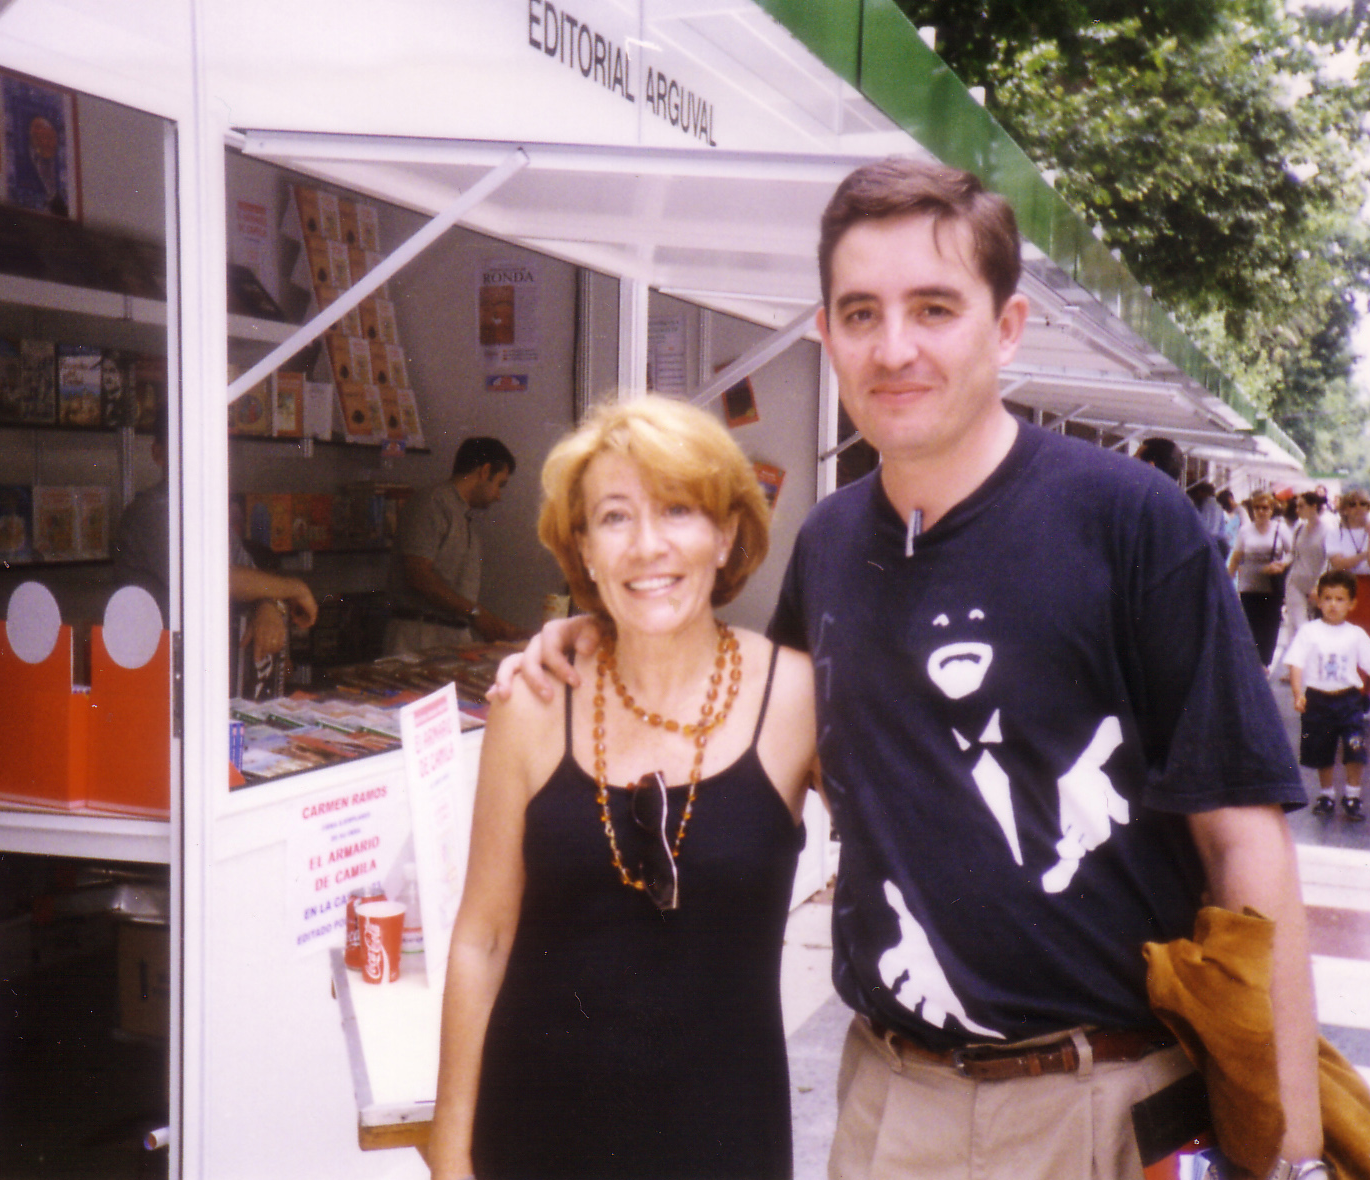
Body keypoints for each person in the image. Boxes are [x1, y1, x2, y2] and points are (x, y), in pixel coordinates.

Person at [499, 157, 1323, 1180]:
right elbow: (756, 720)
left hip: (1098, 1109)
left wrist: (1292, 1153)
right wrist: (592, 639)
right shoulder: (830, 542)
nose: (894, 348)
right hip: (890, 1108)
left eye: (934, 308)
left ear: (1006, 327)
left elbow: (1243, 838)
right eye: (861, 313)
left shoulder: (1127, 521)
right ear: (826, 333)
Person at [430, 397, 817, 1180]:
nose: (646, 546)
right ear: (582, 547)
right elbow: (483, 937)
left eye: (678, 510)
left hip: (722, 1141)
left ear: (726, 535)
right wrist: (449, 1149)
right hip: (534, 1136)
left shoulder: (798, 697)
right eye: (614, 517)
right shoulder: (534, 702)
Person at [114, 410, 318, 669]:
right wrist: (294, 588)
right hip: (155, 671)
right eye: (183, 446)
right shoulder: (151, 512)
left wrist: (267, 606)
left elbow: (250, 577)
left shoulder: (206, 511)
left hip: (204, 666)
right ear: (158, 454)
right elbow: (209, 580)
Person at [1284, 570, 1370, 821]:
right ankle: (1327, 794)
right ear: (1318, 601)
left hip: (1349, 701)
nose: (1333, 604)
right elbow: (1296, 664)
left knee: (1355, 748)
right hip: (1317, 701)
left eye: (1340, 599)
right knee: (1322, 750)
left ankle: (1353, 795)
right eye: (1327, 598)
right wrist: (1298, 693)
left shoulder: (1355, 634)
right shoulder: (1309, 632)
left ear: (1352, 604)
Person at [386, 436, 525, 654]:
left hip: (453, 635)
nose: (499, 496)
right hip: (419, 634)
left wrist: (494, 624)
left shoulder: (462, 515)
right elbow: (418, 575)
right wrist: (477, 614)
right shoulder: (433, 502)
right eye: (500, 484)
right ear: (485, 471)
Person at [1324, 488, 1370, 697]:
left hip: (1369, 589)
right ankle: (1344, 689)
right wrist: (1368, 554)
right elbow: (1338, 564)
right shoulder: (1335, 533)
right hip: (1343, 589)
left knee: (1369, 639)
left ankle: (1363, 691)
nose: (1358, 508)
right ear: (1345, 509)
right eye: (1353, 504)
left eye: (1364, 503)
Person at [1228, 492, 1293, 666]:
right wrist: (1227, 580)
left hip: (1272, 585)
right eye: (1257, 508)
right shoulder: (1245, 531)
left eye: (1265, 508)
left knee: (1270, 626)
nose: (1261, 511)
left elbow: (1292, 553)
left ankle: (1265, 663)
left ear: (1271, 510)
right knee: (1251, 626)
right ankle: (1254, 663)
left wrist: (1281, 564)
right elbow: (1236, 558)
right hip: (1249, 585)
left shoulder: (1280, 529)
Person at [1274, 491, 1330, 683]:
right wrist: (1282, 564)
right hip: (1295, 582)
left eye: (1301, 506)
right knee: (1297, 626)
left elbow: (1327, 560)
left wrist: (1318, 585)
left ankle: (1313, 667)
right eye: (1297, 506)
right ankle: (1294, 670)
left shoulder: (1327, 530)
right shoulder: (1299, 528)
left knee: (1313, 626)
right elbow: (1293, 553)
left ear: (1314, 506)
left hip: (1316, 585)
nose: (1297, 510)